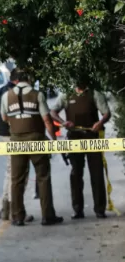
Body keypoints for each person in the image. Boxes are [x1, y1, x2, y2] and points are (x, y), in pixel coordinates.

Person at [0, 68, 63, 226]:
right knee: (43, 177)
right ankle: (47, 216)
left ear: (15, 80)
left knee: (16, 180)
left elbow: (4, 117)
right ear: (28, 78)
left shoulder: (6, 96)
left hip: (16, 142)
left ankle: (17, 216)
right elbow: (47, 120)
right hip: (36, 139)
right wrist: (53, 138)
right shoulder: (37, 94)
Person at [49, 81, 112, 219]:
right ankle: (77, 209)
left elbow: (107, 113)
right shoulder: (66, 94)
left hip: (92, 138)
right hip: (74, 139)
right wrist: (63, 122)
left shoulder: (94, 93)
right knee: (76, 174)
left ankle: (99, 209)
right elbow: (53, 112)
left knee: (97, 173)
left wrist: (100, 123)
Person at [0, 73, 32, 222]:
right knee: (19, 173)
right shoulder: (12, 94)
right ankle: (16, 210)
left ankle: (6, 209)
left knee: (10, 172)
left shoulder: (0, 91)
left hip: (4, 135)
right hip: (14, 135)